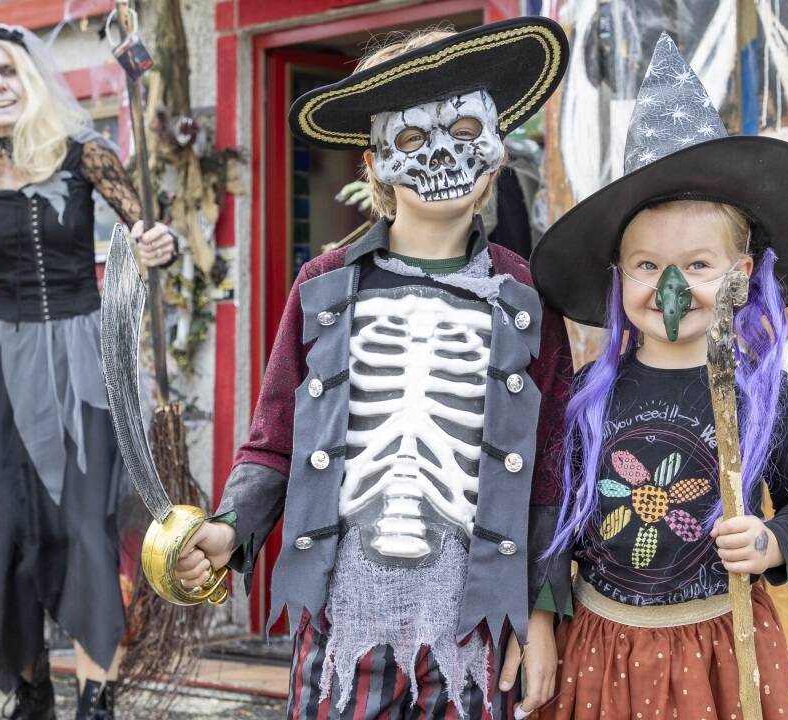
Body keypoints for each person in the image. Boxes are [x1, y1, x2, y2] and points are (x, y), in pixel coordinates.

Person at [175, 20, 576, 719]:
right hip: (342, 615)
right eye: (415, 138)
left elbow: (550, 469)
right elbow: (275, 438)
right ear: (374, 164)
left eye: (463, 127)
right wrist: (229, 528)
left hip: (476, 620)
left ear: (495, 151)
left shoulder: (527, 298)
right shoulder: (324, 286)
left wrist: (541, 614)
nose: (443, 152)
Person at [527, 34, 788, 719]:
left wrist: (769, 542)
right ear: (619, 277)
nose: (670, 286)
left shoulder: (763, 395)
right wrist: (541, 626)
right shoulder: (588, 395)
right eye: (647, 266)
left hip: (720, 642)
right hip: (602, 641)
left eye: (697, 266)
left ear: (740, 276)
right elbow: (550, 515)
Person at [0, 24, 176, 720]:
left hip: (81, 355)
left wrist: (153, 244)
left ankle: (96, 694)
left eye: (8, 71)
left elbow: (142, 235)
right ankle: (31, 685)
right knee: (3, 525)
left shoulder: (87, 157)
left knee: (83, 525)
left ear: (30, 79)